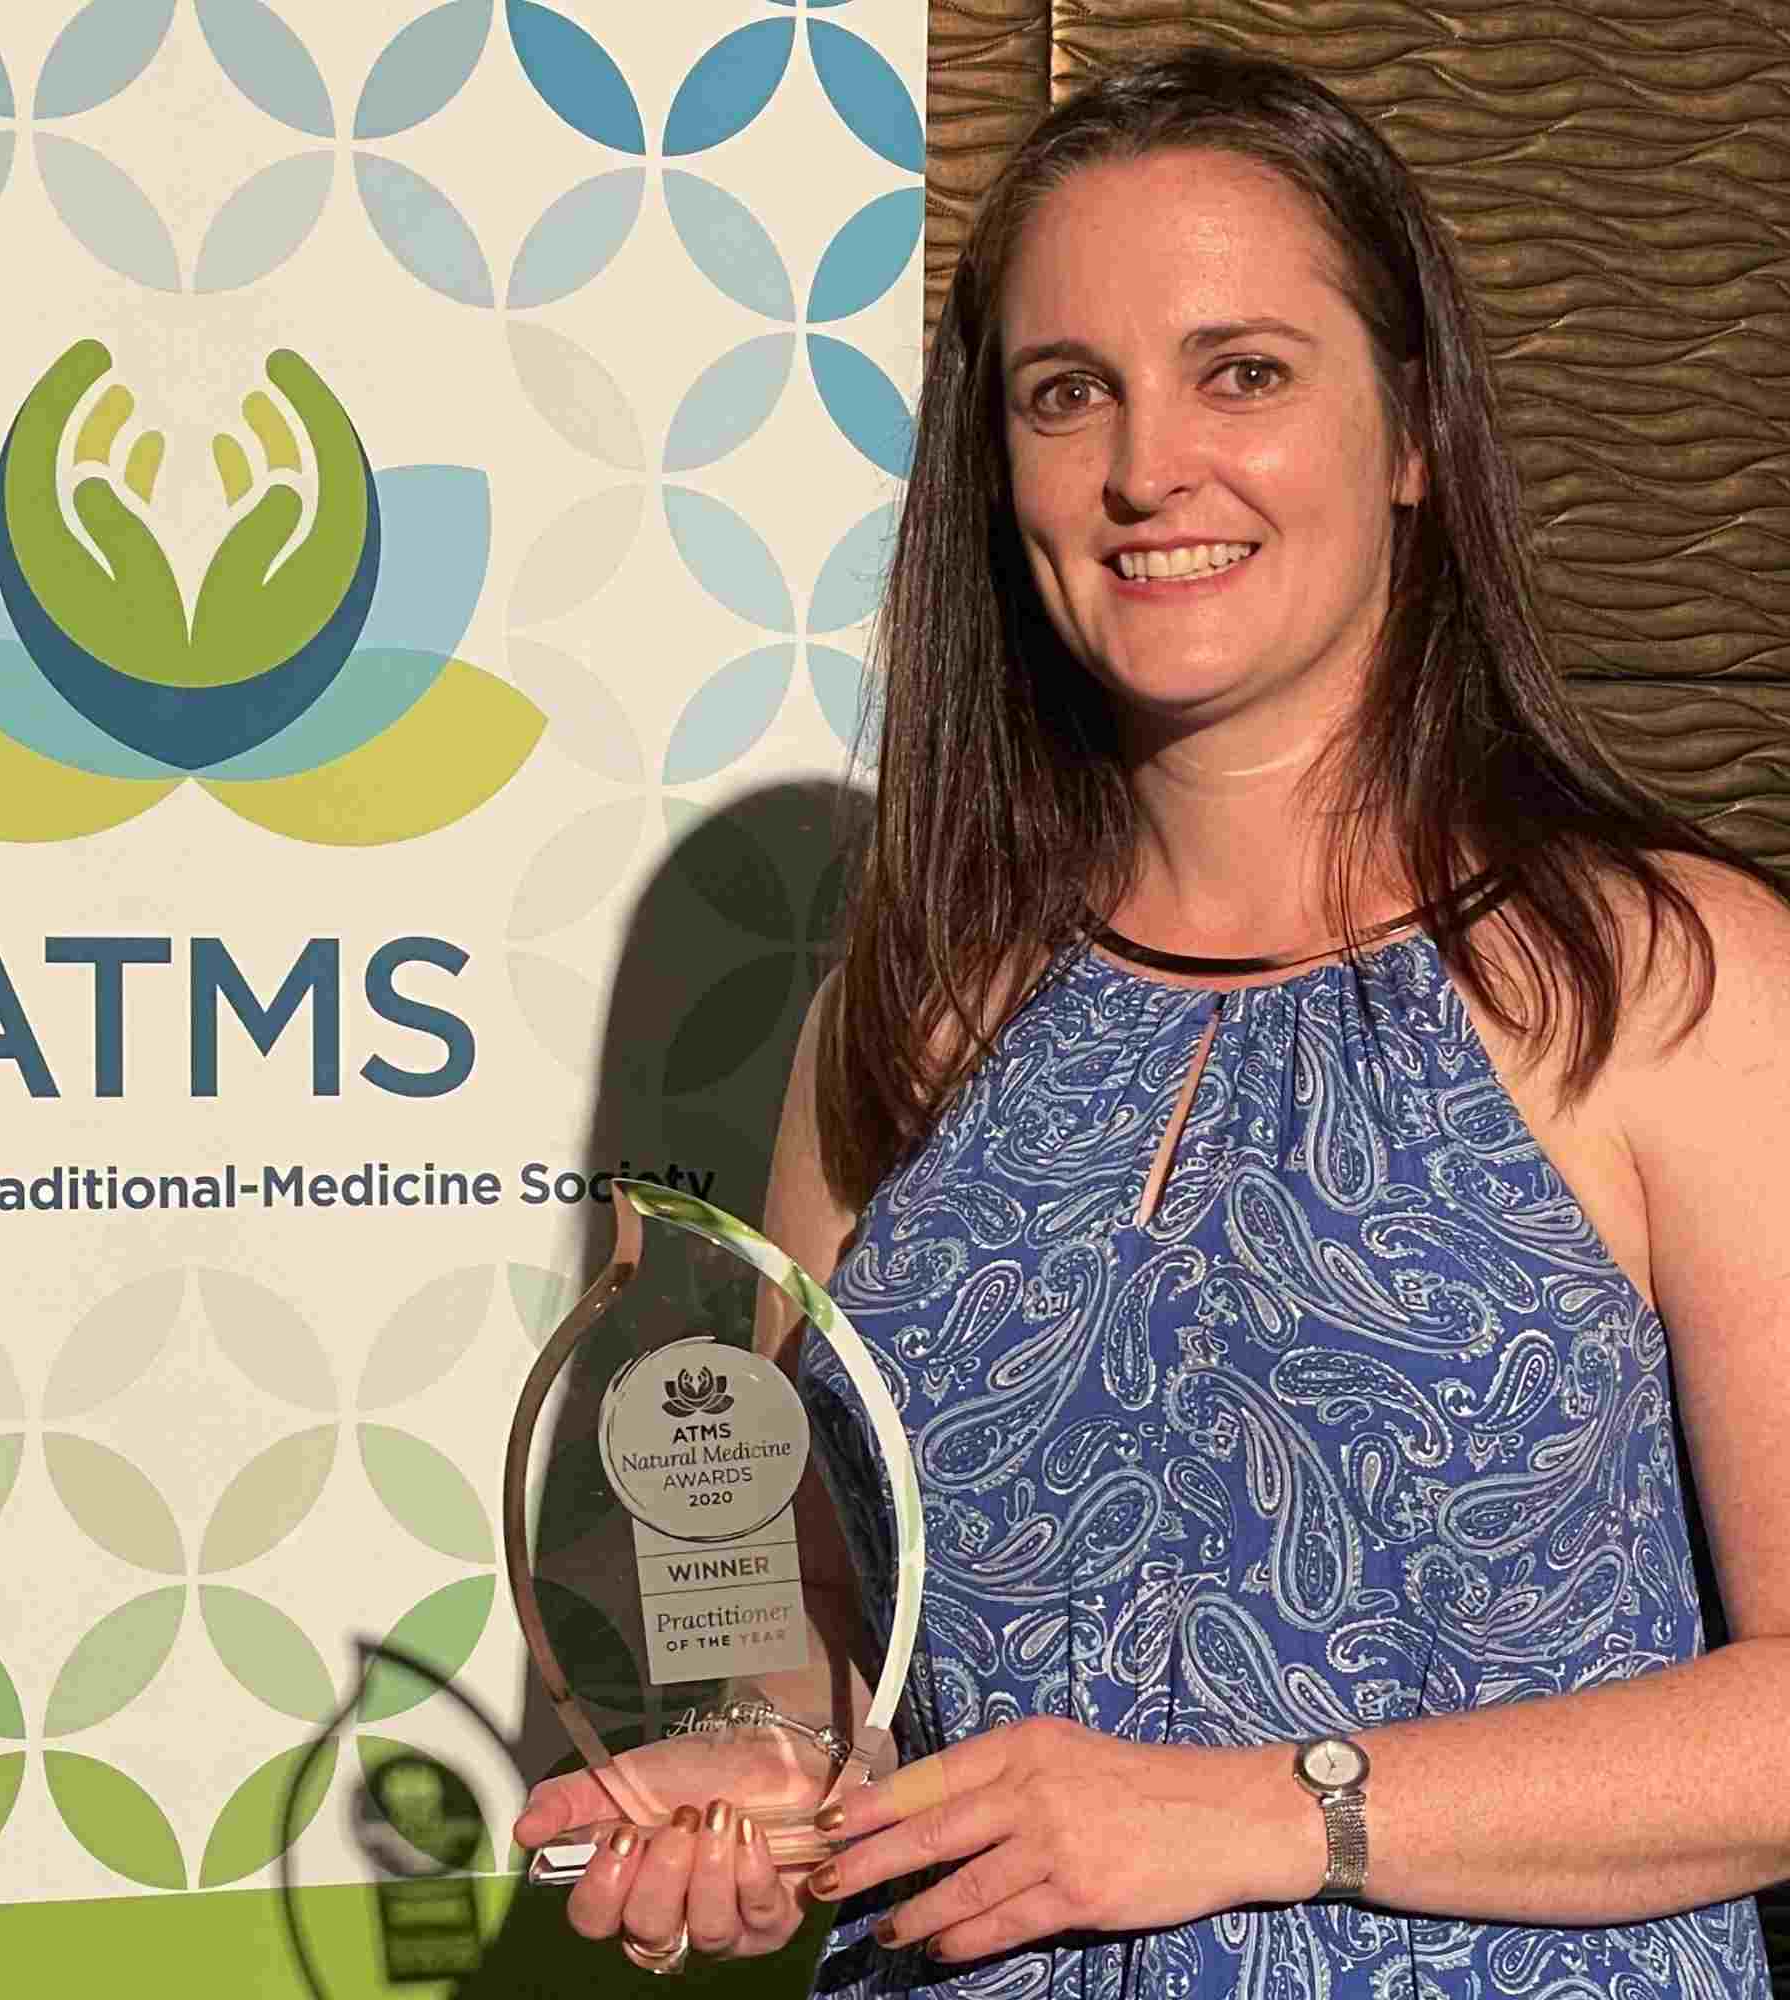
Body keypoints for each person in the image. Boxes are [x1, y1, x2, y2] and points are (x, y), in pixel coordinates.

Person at [515, 45, 1790, 1996]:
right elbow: (816, 1622)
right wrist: (766, 1773)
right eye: (1067, 392)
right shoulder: (909, 1012)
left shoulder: (1672, 978)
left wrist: (1265, 1808)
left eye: (1243, 372)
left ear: (1412, 429)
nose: (1143, 467)